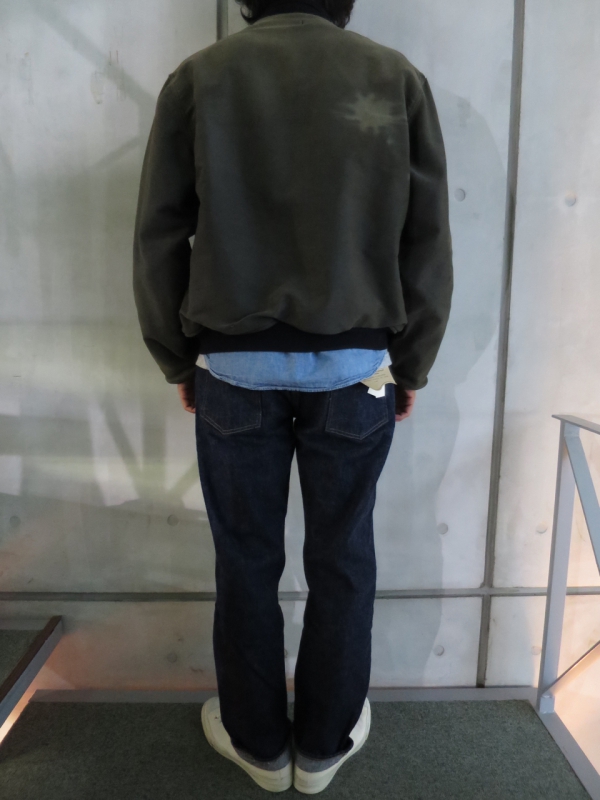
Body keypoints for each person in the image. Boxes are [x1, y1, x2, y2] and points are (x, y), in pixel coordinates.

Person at [132, 0, 453, 792]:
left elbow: (160, 234)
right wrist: (410, 364)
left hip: (233, 367)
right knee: (343, 557)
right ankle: (323, 745)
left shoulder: (200, 78)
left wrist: (177, 358)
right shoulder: (394, 77)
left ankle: (259, 747)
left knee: (245, 559)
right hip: (357, 366)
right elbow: (426, 237)